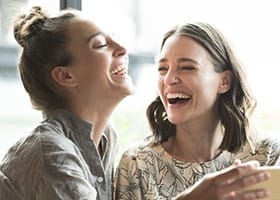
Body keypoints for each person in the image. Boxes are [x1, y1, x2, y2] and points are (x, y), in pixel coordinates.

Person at [115, 22, 280, 199]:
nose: (169, 79)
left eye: (187, 67)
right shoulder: (137, 164)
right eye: (162, 69)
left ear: (224, 82)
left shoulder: (268, 154)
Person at [0, 5, 134, 200]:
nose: (123, 49)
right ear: (65, 75)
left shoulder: (106, 138)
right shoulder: (52, 153)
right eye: (101, 45)